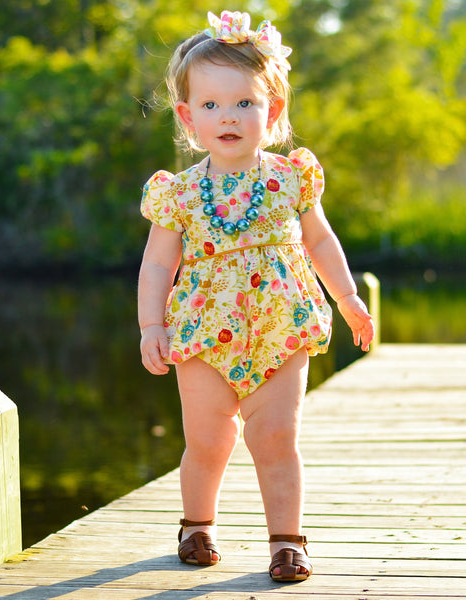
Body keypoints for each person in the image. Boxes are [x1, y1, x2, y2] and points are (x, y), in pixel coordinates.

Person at [137, 10, 374, 582]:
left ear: (272, 112)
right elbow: (158, 262)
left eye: (245, 103)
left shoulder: (292, 177)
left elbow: (319, 239)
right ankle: (197, 526)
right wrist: (151, 325)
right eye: (213, 105)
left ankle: (287, 541)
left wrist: (345, 298)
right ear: (189, 117)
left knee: (276, 438)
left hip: (280, 323)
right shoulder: (181, 193)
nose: (229, 117)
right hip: (200, 330)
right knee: (208, 439)